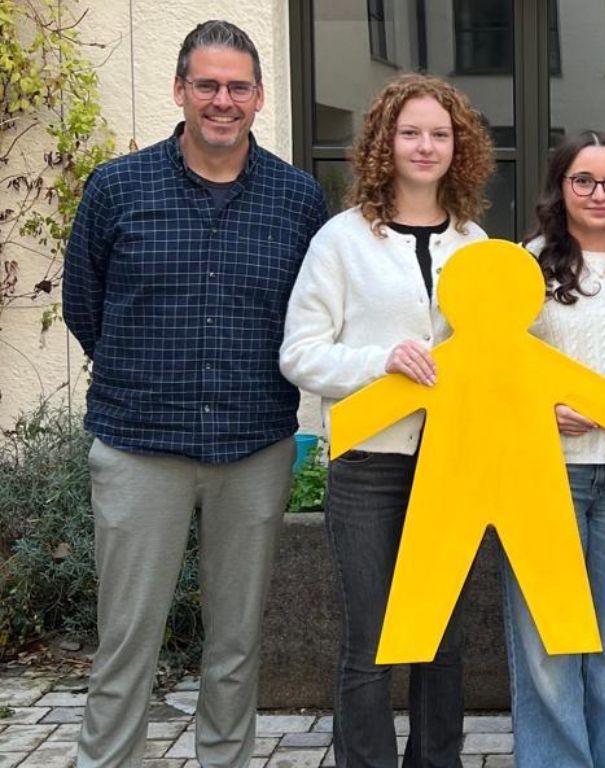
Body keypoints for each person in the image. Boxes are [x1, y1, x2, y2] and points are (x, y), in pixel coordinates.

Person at [61, 20, 328, 768]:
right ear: (179, 89)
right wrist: (145, 378)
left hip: (253, 448)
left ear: (260, 97)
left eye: (238, 87)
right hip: (140, 448)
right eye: (206, 84)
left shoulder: (297, 199)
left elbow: (310, 315)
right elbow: (84, 306)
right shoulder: (118, 188)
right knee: (126, 640)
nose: (222, 100)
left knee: (236, 642)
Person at [279, 73, 493, 767]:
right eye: (410, 133)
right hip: (369, 464)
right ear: (384, 143)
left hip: (451, 466)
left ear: (458, 146)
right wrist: (382, 362)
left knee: (441, 641)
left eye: (440, 134)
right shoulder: (340, 241)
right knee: (369, 641)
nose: (426, 146)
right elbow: (300, 354)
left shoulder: (474, 241)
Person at [502, 130, 605, 768]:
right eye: (584, 180)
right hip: (545, 476)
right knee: (548, 647)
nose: (599, 193)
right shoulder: (526, 265)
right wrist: (540, 409)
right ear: (560, 188)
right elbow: (497, 370)